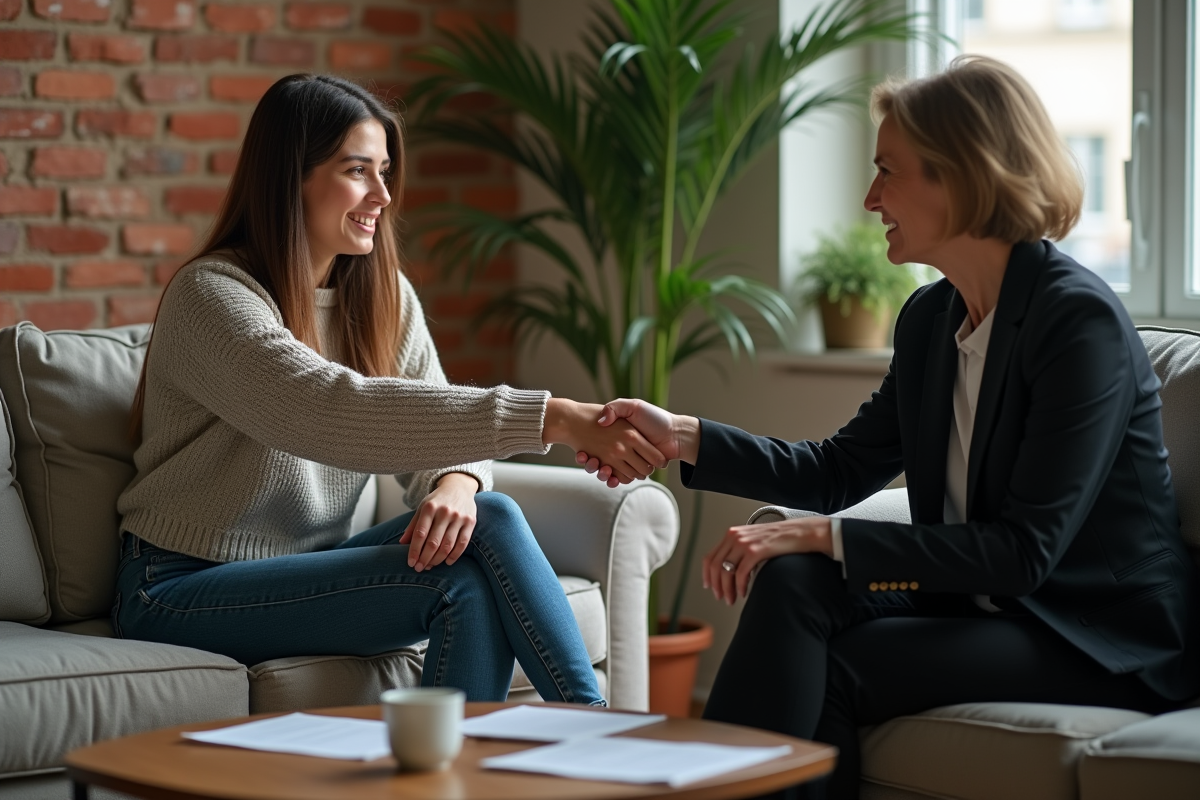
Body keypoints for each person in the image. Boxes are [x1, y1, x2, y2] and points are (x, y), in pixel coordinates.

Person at [577, 56, 1200, 796]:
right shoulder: (931, 319)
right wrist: (681, 434)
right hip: (986, 602)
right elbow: (839, 469)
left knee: (839, 649)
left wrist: (817, 531)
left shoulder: (1077, 323)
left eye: (887, 171)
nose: (871, 198)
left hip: (1097, 634)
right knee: (795, 582)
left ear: (960, 175)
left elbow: (1025, 554)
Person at [113, 74, 666, 705]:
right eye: (357, 171)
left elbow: (439, 423)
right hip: (176, 584)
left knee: (490, 513)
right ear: (291, 176)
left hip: (307, 564)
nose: (383, 194)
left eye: (385, 171)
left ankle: (569, 734)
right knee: (457, 584)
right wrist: (553, 417)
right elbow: (325, 409)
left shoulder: (383, 297)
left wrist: (459, 482)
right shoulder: (212, 297)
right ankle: (591, 730)